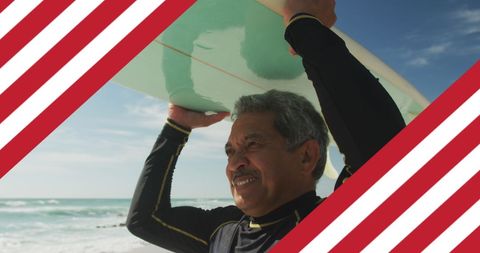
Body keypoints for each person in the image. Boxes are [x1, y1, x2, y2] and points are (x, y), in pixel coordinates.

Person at [127, 0, 406, 252]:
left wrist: (304, 26)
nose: (235, 163)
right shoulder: (223, 230)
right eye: (230, 151)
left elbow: (384, 154)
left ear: (306, 155)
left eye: (252, 144)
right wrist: (177, 127)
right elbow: (146, 221)